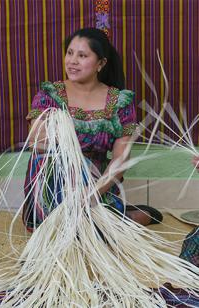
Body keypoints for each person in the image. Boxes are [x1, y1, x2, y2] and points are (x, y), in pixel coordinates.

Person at [23, 27, 162, 231]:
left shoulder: (119, 101)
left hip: (97, 182)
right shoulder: (50, 95)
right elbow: (38, 142)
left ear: (101, 63)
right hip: (52, 183)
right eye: (69, 53)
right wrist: (75, 162)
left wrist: (93, 192)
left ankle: (131, 217)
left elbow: (121, 159)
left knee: (99, 232)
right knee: (60, 231)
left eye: (82, 55)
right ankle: (122, 217)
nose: (72, 61)